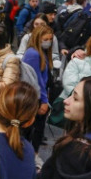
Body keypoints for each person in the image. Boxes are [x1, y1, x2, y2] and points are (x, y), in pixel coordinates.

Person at [22, 25, 53, 153]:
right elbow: (37, 80)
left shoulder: (40, 52)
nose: (48, 42)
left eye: (50, 39)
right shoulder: (34, 54)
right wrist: (44, 100)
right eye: (46, 39)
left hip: (38, 96)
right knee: (33, 130)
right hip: (36, 98)